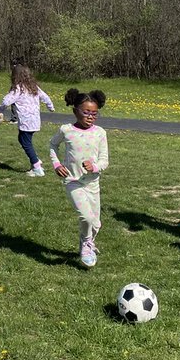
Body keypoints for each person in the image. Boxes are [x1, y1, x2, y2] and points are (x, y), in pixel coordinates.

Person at [49, 88, 109, 268]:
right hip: (73, 182)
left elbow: (105, 160)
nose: (91, 116)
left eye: (94, 113)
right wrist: (57, 164)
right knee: (86, 217)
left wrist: (95, 167)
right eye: (86, 112)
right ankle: (86, 245)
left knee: (96, 223)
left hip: (92, 183)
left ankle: (88, 242)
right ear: (75, 111)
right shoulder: (66, 130)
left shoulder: (100, 133)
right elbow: (52, 145)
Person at [0, 64, 55, 176]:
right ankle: (35, 162)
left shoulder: (19, 89)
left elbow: (6, 101)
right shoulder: (33, 87)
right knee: (23, 139)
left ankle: (37, 166)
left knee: (26, 143)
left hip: (26, 122)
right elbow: (45, 97)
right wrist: (51, 107)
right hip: (35, 121)